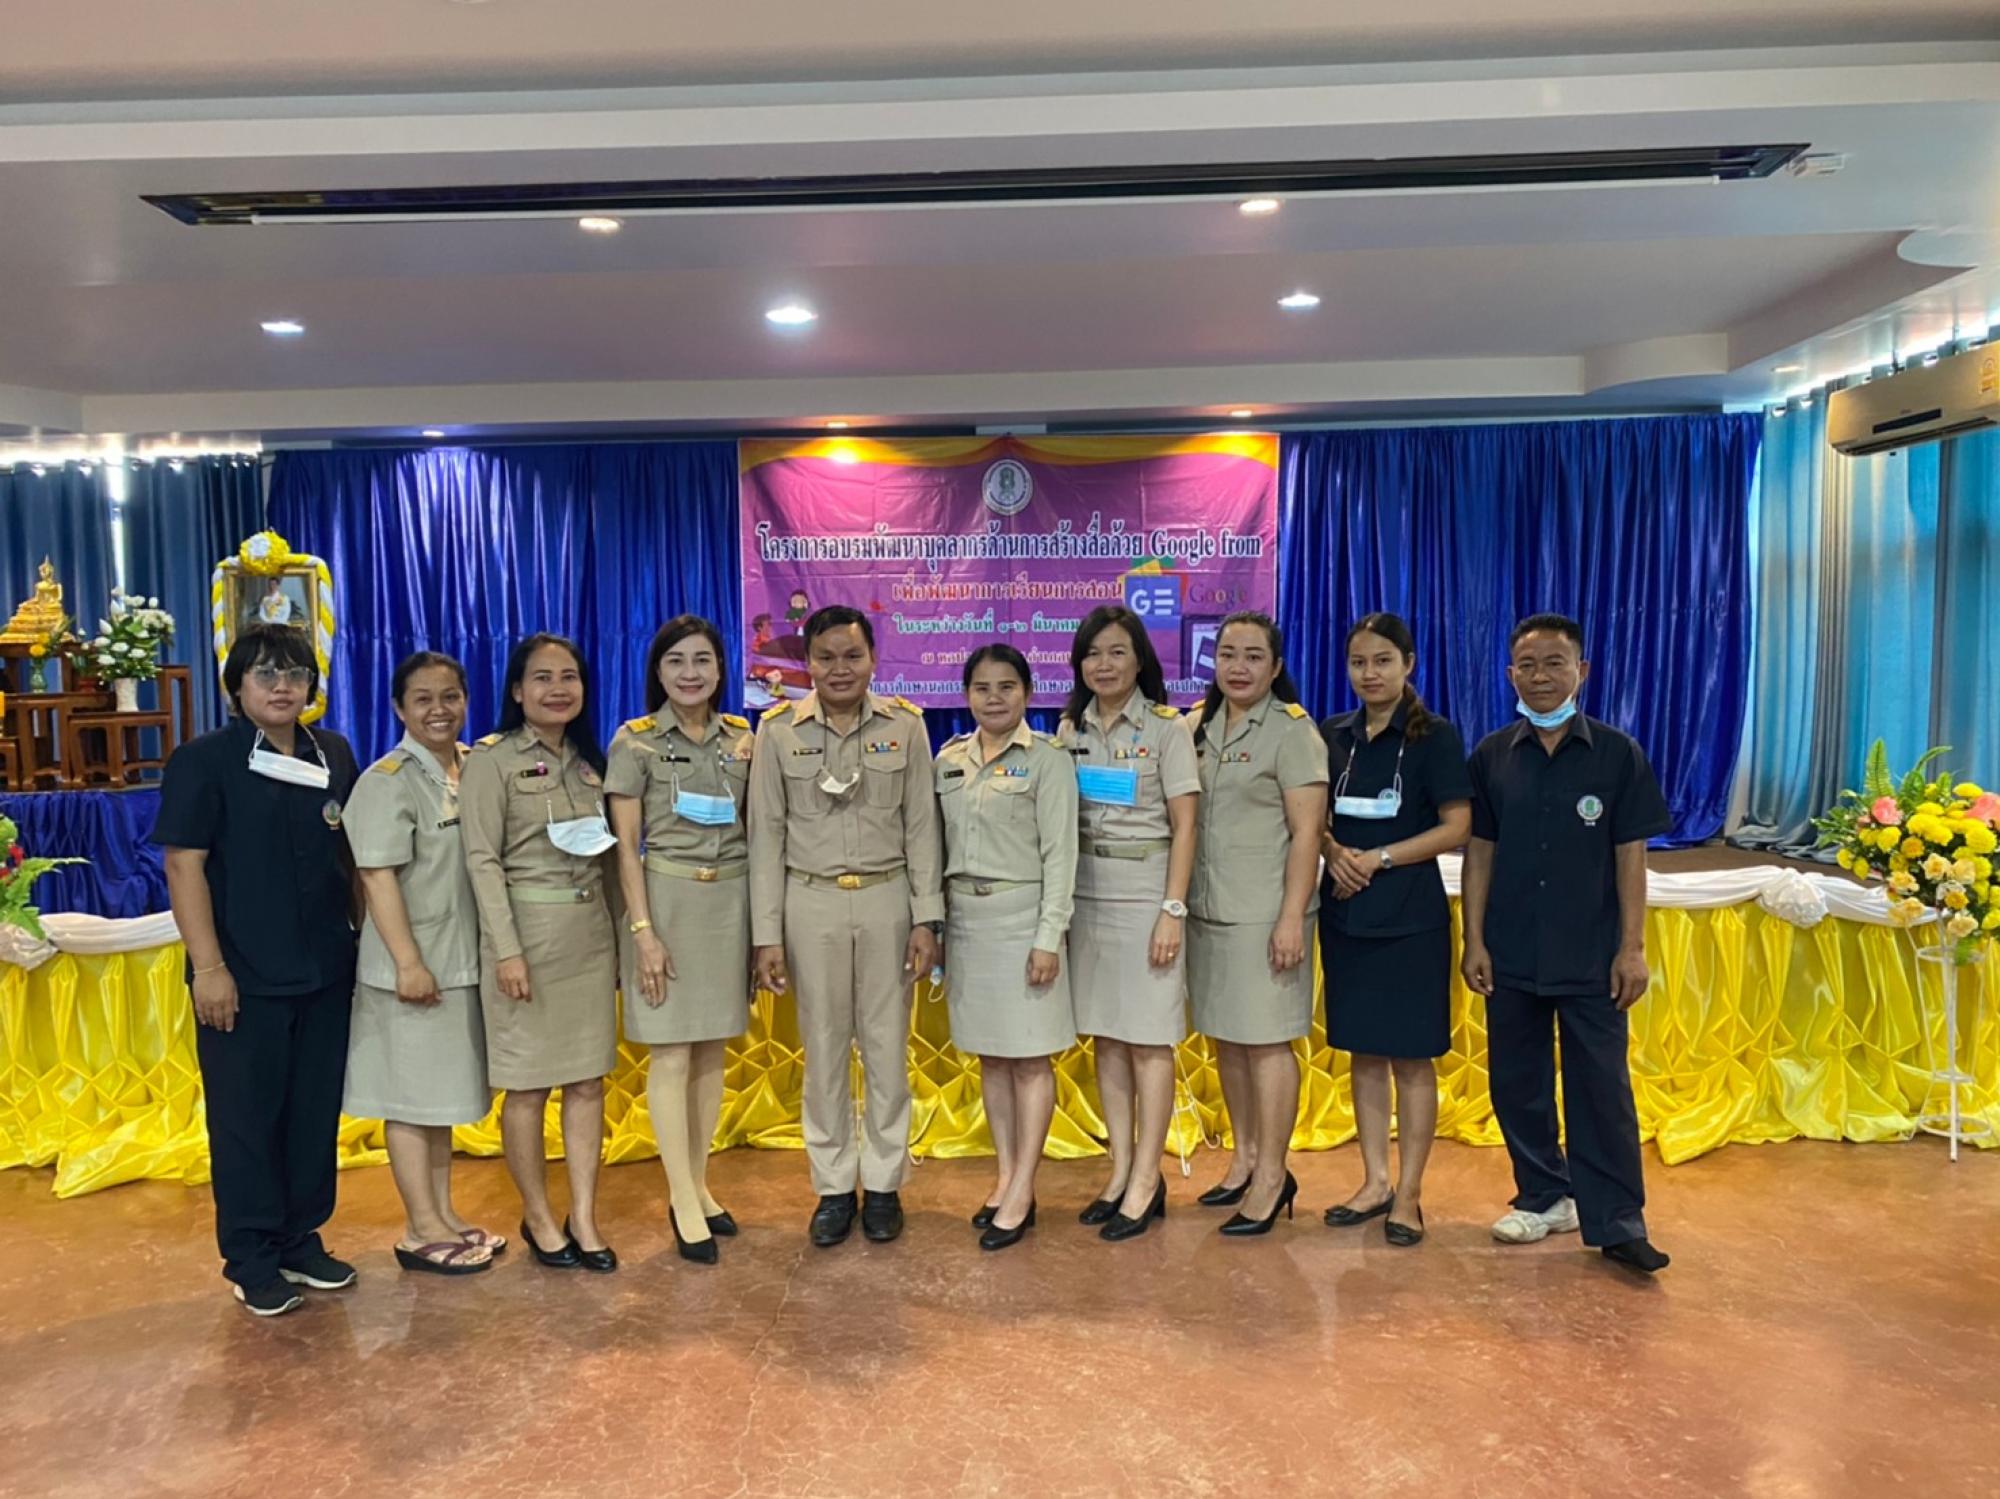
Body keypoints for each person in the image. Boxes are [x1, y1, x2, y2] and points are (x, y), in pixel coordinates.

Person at [153, 624, 360, 1317]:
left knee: (312, 1113)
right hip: (241, 975)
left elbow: (349, 855)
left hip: (325, 969)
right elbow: (183, 865)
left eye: (296, 673)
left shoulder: (332, 752)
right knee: (247, 1120)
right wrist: (208, 967)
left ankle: (300, 1238)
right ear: (235, 685)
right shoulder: (204, 760)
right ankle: (251, 1257)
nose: (283, 686)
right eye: (266, 673)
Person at [1460, 613, 1674, 1275]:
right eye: (1527, 665)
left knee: (1600, 1088)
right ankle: (1544, 1195)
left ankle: (1617, 1222)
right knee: (1517, 1082)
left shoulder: (1616, 753)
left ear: (1581, 671)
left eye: (1555, 663)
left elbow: (1631, 856)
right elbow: (1479, 852)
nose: (1541, 676)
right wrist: (1473, 939)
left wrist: (1631, 947)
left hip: (1591, 954)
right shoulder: (1493, 754)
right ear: (1510, 675)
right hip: (1511, 950)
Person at [747, 606, 942, 1248]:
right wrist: (766, 935)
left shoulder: (905, 725)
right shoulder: (778, 731)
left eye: (852, 656)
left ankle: (883, 1186)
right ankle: (833, 1187)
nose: (839, 669)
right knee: (824, 1048)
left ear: (873, 660)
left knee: (886, 1048)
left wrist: (926, 918)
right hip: (812, 902)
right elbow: (765, 835)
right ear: (807, 663)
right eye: (826, 657)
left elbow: (922, 827)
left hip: (888, 899)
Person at [460, 633, 621, 1273]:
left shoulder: (592, 761)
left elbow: (610, 860)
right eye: (543, 678)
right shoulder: (492, 761)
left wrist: (623, 940)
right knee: (526, 1090)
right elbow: (482, 860)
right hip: (525, 939)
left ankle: (584, 1213)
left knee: (586, 1082)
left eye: (569, 677)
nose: (558, 689)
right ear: (517, 690)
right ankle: (538, 1216)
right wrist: (507, 951)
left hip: (588, 938)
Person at [341, 651, 500, 1276]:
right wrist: (409, 962)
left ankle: (443, 1213)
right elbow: (376, 877)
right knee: (410, 1101)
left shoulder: (472, 766)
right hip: (412, 970)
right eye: (423, 699)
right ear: (399, 708)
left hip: (461, 961)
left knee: (439, 1100)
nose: (439, 710)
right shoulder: (387, 780)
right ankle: (418, 1228)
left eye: (450, 696)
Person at [1317, 613, 1470, 1247]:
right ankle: (1374, 1180)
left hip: (1410, 917)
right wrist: (1332, 851)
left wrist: (1377, 859)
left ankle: (1409, 1194)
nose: (1369, 674)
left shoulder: (1435, 736)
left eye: (1382, 661)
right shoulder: (1332, 734)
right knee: (1364, 1052)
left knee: (1411, 1057)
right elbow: (1312, 816)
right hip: (1345, 913)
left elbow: (1456, 826)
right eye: (1358, 662)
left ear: (1408, 663)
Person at [606, 616, 753, 1267]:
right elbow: (625, 849)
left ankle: (699, 1184)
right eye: (676, 662)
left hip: (728, 902)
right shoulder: (635, 741)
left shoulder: (744, 739)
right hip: (664, 902)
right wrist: (643, 932)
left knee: (711, 1052)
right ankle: (681, 1198)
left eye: (702, 660)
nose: (690, 673)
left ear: (720, 669)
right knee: (670, 1054)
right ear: (658, 671)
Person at [1057, 605, 1200, 1242]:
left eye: (1117, 652)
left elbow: (1186, 825)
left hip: (1147, 893)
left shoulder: (1168, 730)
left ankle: (1148, 1177)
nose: (1104, 664)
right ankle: (1119, 1172)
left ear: (1139, 659)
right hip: (1089, 893)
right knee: (1108, 1039)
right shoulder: (1069, 730)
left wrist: (1172, 909)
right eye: (1092, 654)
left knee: (1149, 1040)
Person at [1185, 613, 1328, 1237]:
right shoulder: (1196, 725)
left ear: (1275, 667)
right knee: (1229, 1040)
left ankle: (1273, 1174)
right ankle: (1243, 1158)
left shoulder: (1293, 732)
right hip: (1208, 909)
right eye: (1227, 654)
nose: (1237, 667)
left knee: (1268, 1044)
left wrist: (1291, 917)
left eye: (1252, 656)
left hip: (1267, 913)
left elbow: (1307, 833)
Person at [935, 644, 1080, 1251]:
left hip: (1024, 921)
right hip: (968, 922)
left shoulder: (1048, 760)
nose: (993, 698)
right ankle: (1005, 1176)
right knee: (992, 1058)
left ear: (1028, 692)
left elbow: (1061, 855)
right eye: (982, 688)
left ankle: (1023, 1186)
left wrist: (1049, 937)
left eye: (1006, 687)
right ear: (966, 694)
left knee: (1029, 1058)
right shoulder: (947, 760)